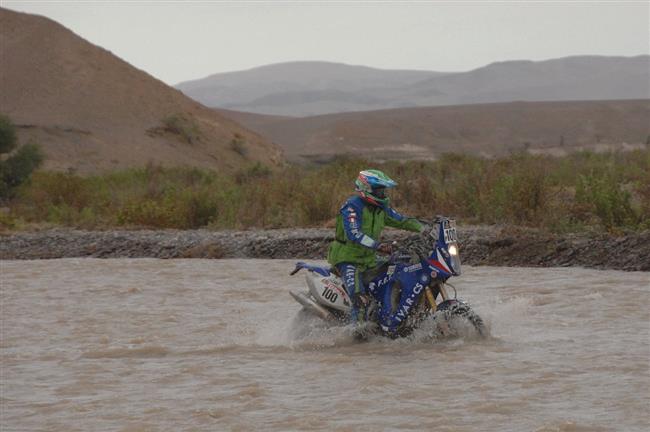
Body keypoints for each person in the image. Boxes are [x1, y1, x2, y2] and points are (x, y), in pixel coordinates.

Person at [327, 169, 424, 333]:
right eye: (379, 190)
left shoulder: (381, 208)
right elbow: (354, 234)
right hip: (348, 260)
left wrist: (426, 229)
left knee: (399, 268)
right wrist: (378, 246)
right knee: (360, 300)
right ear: (367, 189)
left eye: (383, 190)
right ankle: (356, 336)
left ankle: (390, 317)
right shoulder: (352, 206)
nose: (382, 193)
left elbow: (402, 221)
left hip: (369, 259)